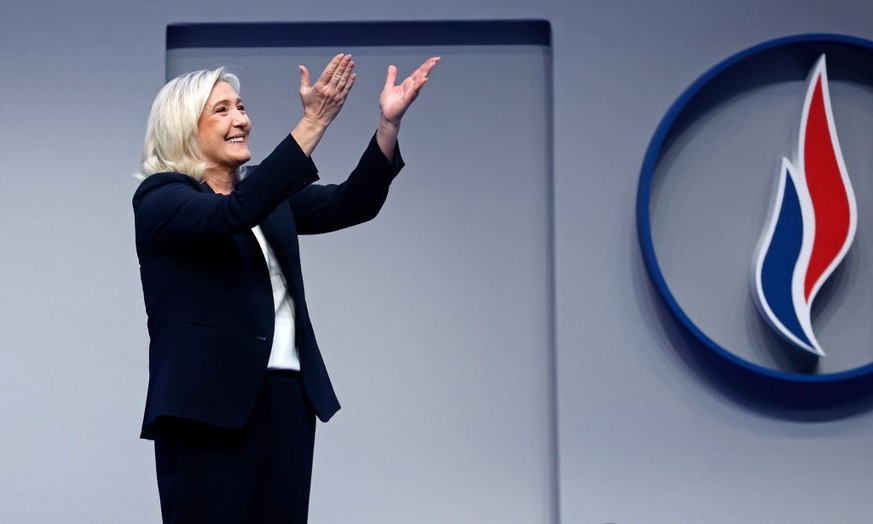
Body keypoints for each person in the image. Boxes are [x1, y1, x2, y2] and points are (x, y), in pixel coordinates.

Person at [133, 53, 439, 523]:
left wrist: (387, 127)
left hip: (286, 396)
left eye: (241, 106)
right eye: (222, 110)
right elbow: (232, 216)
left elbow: (351, 203)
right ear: (183, 127)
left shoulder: (264, 197)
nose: (242, 119)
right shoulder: (162, 199)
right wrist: (314, 121)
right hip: (206, 409)